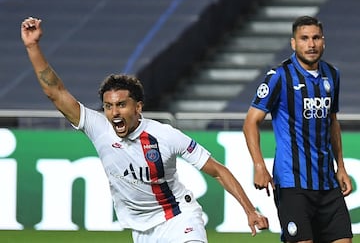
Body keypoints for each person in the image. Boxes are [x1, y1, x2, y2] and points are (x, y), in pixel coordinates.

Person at [21, 17, 268, 243]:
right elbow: (56, 93)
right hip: (141, 232)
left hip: (179, 219)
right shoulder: (98, 128)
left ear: (138, 107)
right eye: (108, 106)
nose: (114, 112)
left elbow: (218, 171)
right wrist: (33, 47)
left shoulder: (165, 136)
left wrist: (249, 210)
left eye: (121, 105)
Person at [243, 15, 353, 243]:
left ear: (323, 41)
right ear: (293, 43)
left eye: (316, 38)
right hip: (292, 183)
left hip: (327, 182)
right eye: (304, 38)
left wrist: (340, 166)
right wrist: (259, 165)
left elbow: (332, 122)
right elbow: (250, 122)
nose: (311, 44)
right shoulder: (279, 77)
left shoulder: (332, 75)